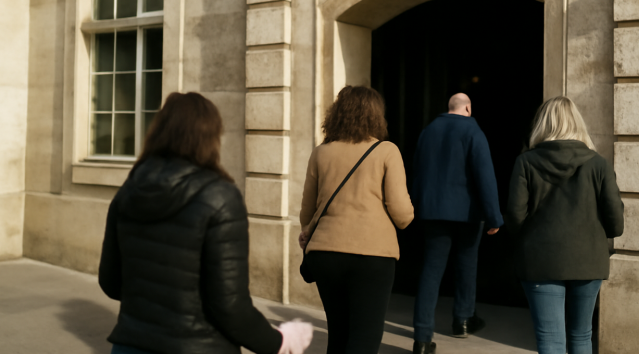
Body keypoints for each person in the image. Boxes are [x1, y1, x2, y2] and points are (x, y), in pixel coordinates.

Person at [98, 92, 313, 354]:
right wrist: (281, 342)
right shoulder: (220, 197)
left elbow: (110, 282)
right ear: (210, 137)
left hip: (130, 346)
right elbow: (230, 306)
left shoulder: (128, 191)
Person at [298, 86, 415, 354]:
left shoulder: (321, 152)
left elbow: (307, 212)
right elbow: (402, 215)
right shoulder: (387, 151)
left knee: (338, 336)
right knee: (365, 337)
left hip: (325, 254)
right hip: (373, 256)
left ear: (337, 115)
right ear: (376, 116)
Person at [505, 96, 624, 354]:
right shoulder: (598, 164)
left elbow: (514, 217)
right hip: (588, 260)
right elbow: (616, 224)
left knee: (550, 339)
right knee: (582, 337)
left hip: (540, 261)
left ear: (543, 124)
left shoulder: (525, 162)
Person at [410, 93, 504, 354]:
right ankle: (462, 320)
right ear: (468, 108)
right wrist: (494, 216)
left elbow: (418, 173)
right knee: (466, 266)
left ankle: (421, 337)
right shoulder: (473, 131)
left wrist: (414, 208)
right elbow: (485, 176)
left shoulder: (428, 132)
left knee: (430, 272)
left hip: (432, 212)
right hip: (467, 214)